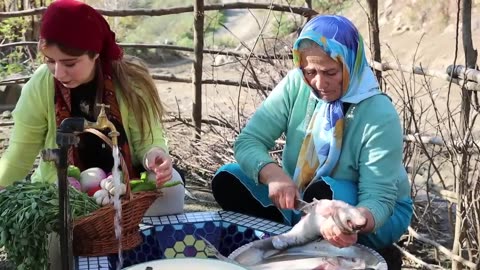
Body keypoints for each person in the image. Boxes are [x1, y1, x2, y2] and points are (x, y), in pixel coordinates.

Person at [211, 15, 413, 269]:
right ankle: (298, 235)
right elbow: (249, 141)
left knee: (323, 192)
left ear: (350, 64)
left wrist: (353, 221)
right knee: (229, 179)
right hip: (307, 198)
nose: (319, 83)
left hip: (372, 211)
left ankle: (327, 236)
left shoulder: (378, 113)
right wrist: (273, 175)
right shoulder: (298, 85)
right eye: (310, 72)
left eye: (331, 72)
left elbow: (380, 198)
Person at [0, 0, 184, 214]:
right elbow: (19, 155)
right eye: (50, 61)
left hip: (126, 187)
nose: (58, 73)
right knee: (56, 208)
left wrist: (154, 156)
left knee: (173, 188)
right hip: (67, 190)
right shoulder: (41, 85)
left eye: (70, 63)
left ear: (95, 53)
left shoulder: (130, 81)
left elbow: (148, 141)